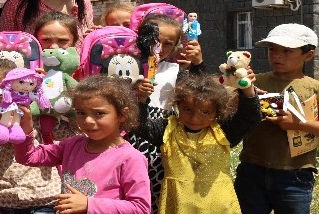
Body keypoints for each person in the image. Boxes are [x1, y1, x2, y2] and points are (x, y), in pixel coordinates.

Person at [12, 75, 151, 214]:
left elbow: (141, 208)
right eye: (81, 113)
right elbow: (28, 157)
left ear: (122, 114)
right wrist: (25, 129)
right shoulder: (72, 145)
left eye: (99, 113)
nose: (88, 120)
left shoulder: (130, 158)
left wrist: (89, 205)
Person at [134, 74, 260, 213]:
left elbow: (250, 118)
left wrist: (247, 89)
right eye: (187, 109)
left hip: (218, 207)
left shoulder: (223, 131)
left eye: (205, 112)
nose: (195, 118)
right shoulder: (167, 129)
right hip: (179, 206)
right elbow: (140, 126)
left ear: (217, 112)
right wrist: (141, 98)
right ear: (178, 105)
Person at [0, 56, 79, 213]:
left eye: (3, 87)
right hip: (2, 202)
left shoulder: (38, 119)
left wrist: (55, 91)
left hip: (44, 200)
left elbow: (76, 133)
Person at [234, 23, 319, 214]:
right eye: (272, 49)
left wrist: (297, 124)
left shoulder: (314, 87)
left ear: (308, 55)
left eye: (287, 51)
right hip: (252, 170)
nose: (277, 55)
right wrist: (240, 85)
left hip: (295, 175)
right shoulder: (255, 81)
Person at [131, 12, 204, 213]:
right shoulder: (125, 65)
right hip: (127, 132)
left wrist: (198, 64)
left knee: (157, 187)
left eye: (168, 44)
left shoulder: (175, 70)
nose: (159, 48)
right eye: (154, 41)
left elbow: (197, 92)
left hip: (160, 135)